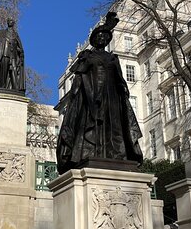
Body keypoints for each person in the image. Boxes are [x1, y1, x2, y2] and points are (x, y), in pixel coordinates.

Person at [56, 12, 143, 173]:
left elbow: (119, 78)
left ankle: (117, 155)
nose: (102, 39)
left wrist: (123, 89)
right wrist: (75, 92)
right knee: (92, 126)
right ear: (94, 40)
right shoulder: (88, 57)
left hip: (112, 97)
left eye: (105, 36)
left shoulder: (113, 58)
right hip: (92, 96)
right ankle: (92, 154)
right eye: (99, 36)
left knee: (114, 126)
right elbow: (79, 76)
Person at [0, 19, 25, 93]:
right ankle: (1, 86)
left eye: (12, 21)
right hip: (5, 54)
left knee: (14, 71)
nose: (10, 22)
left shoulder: (16, 34)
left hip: (13, 56)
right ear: (7, 23)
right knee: (4, 70)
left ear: (13, 23)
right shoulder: (2, 32)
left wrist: (20, 53)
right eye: (9, 21)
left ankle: (16, 88)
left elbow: (19, 47)